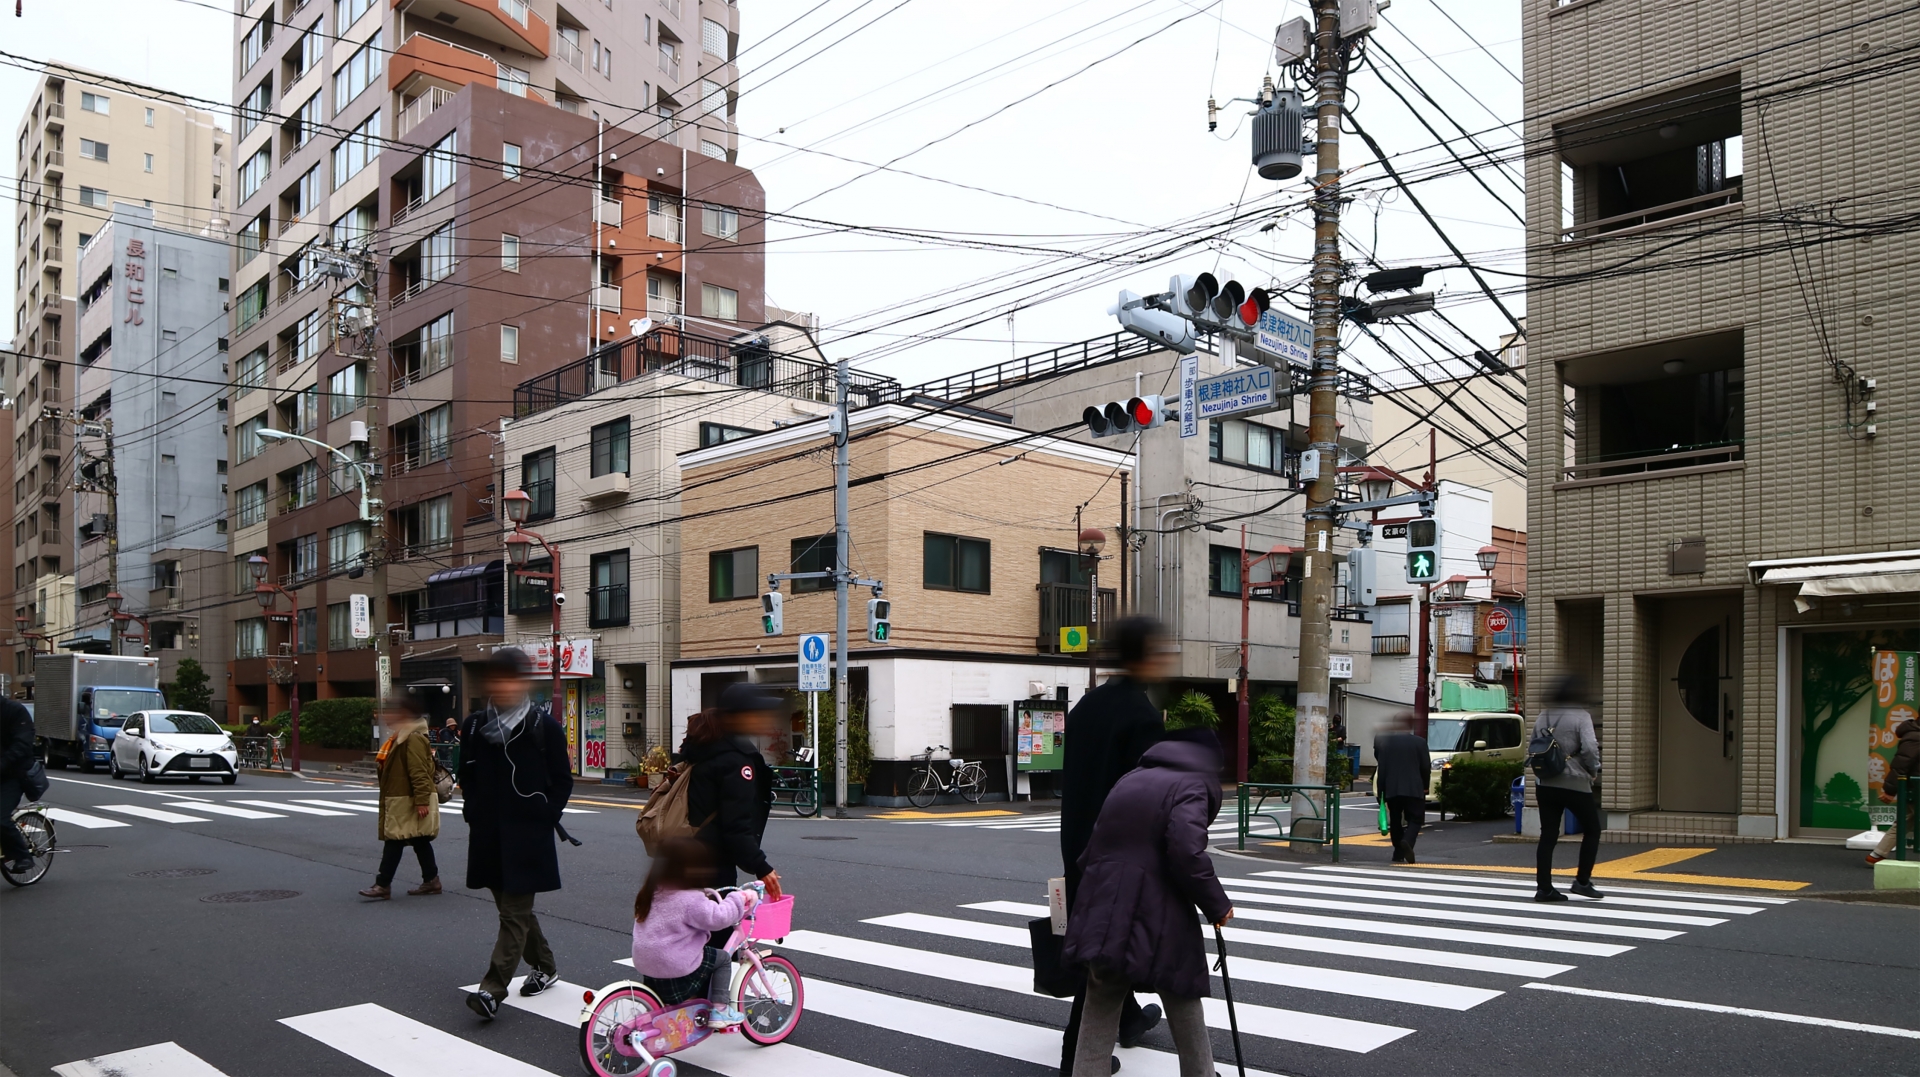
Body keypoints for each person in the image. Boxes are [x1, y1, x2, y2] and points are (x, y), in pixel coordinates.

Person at [1064, 729, 1234, 1077]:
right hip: (1157, 903)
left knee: (1102, 993)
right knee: (1180, 989)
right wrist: (1217, 905)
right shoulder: (1192, 783)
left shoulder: (1132, 778)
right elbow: (1186, 850)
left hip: (1104, 898)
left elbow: (1096, 844)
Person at [1056, 615, 1173, 1074]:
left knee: (1102, 943)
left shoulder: (1087, 706)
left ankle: (1127, 1022)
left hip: (1077, 844)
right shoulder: (1142, 717)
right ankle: (1076, 1057)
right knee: (1104, 956)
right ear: (1142, 657)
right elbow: (1150, 797)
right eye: (1161, 650)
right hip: (1121, 854)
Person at [459, 649, 574, 1020]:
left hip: (528, 835)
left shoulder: (543, 726)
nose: (503, 685)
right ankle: (546, 965)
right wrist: (473, 811)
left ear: (524, 682)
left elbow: (563, 780)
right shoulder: (475, 726)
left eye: (511, 678)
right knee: (513, 910)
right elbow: (467, 776)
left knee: (512, 913)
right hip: (489, 835)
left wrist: (546, 816)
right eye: (497, 678)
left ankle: (492, 990)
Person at [630, 837, 759, 1027]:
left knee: (684, 956)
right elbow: (719, 918)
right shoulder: (691, 899)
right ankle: (720, 1010)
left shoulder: (652, 892)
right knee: (722, 958)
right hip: (674, 965)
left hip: (646, 963)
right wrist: (738, 899)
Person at [679, 682, 783, 900]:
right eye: (758, 713)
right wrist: (761, 866)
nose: (765, 719)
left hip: (686, 854)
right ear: (738, 716)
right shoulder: (734, 760)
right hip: (713, 860)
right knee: (717, 929)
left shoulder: (706, 748)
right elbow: (736, 823)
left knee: (694, 929)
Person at [359, 693, 442, 900]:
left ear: (403, 714)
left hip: (406, 798)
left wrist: (422, 800)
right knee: (419, 839)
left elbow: (419, 771)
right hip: (402, 796)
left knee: (395, 839)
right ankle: (431, 880)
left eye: (390, 712)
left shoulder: (411, 738)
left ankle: (382, 884)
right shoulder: (400, 736)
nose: (386, 715)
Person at [1532, 674, 1604, 902]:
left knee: (1548, 835)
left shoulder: (1544, 715)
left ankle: (1544, 888)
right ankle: (1582, 881)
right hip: (1574, 781)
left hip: (1545, 783)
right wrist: (1594, 770)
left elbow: (1533, 745)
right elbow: (1590, 748)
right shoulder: (1581, 716)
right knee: (1592, 829)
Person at [1372, 711, 1431, 864]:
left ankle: (1398, 853)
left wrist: (1381, 792)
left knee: (1396, 820)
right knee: (1416, 819)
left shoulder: (1386, 743)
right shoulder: (1420, 742)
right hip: (1414, 787)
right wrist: (1425, 786)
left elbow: (1382, 769)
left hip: (1392, 788)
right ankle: (1408, 842)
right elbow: (1425, 767)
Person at [1866, 717, 1920, 866]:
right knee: (1906, 820)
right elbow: (1901, 764)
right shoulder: (1916, 737)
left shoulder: (1914, 734)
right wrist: (1890, 790)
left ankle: (1877, 854)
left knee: (1906, 820)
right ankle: (1877, 854)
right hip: (1916, 787)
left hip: (1914, 787)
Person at [1, 695, 39, 876]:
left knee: (0, 818)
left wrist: (3, 763)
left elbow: (23, 743)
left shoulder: (15, 711)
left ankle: (22, 855)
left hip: (13, 775)